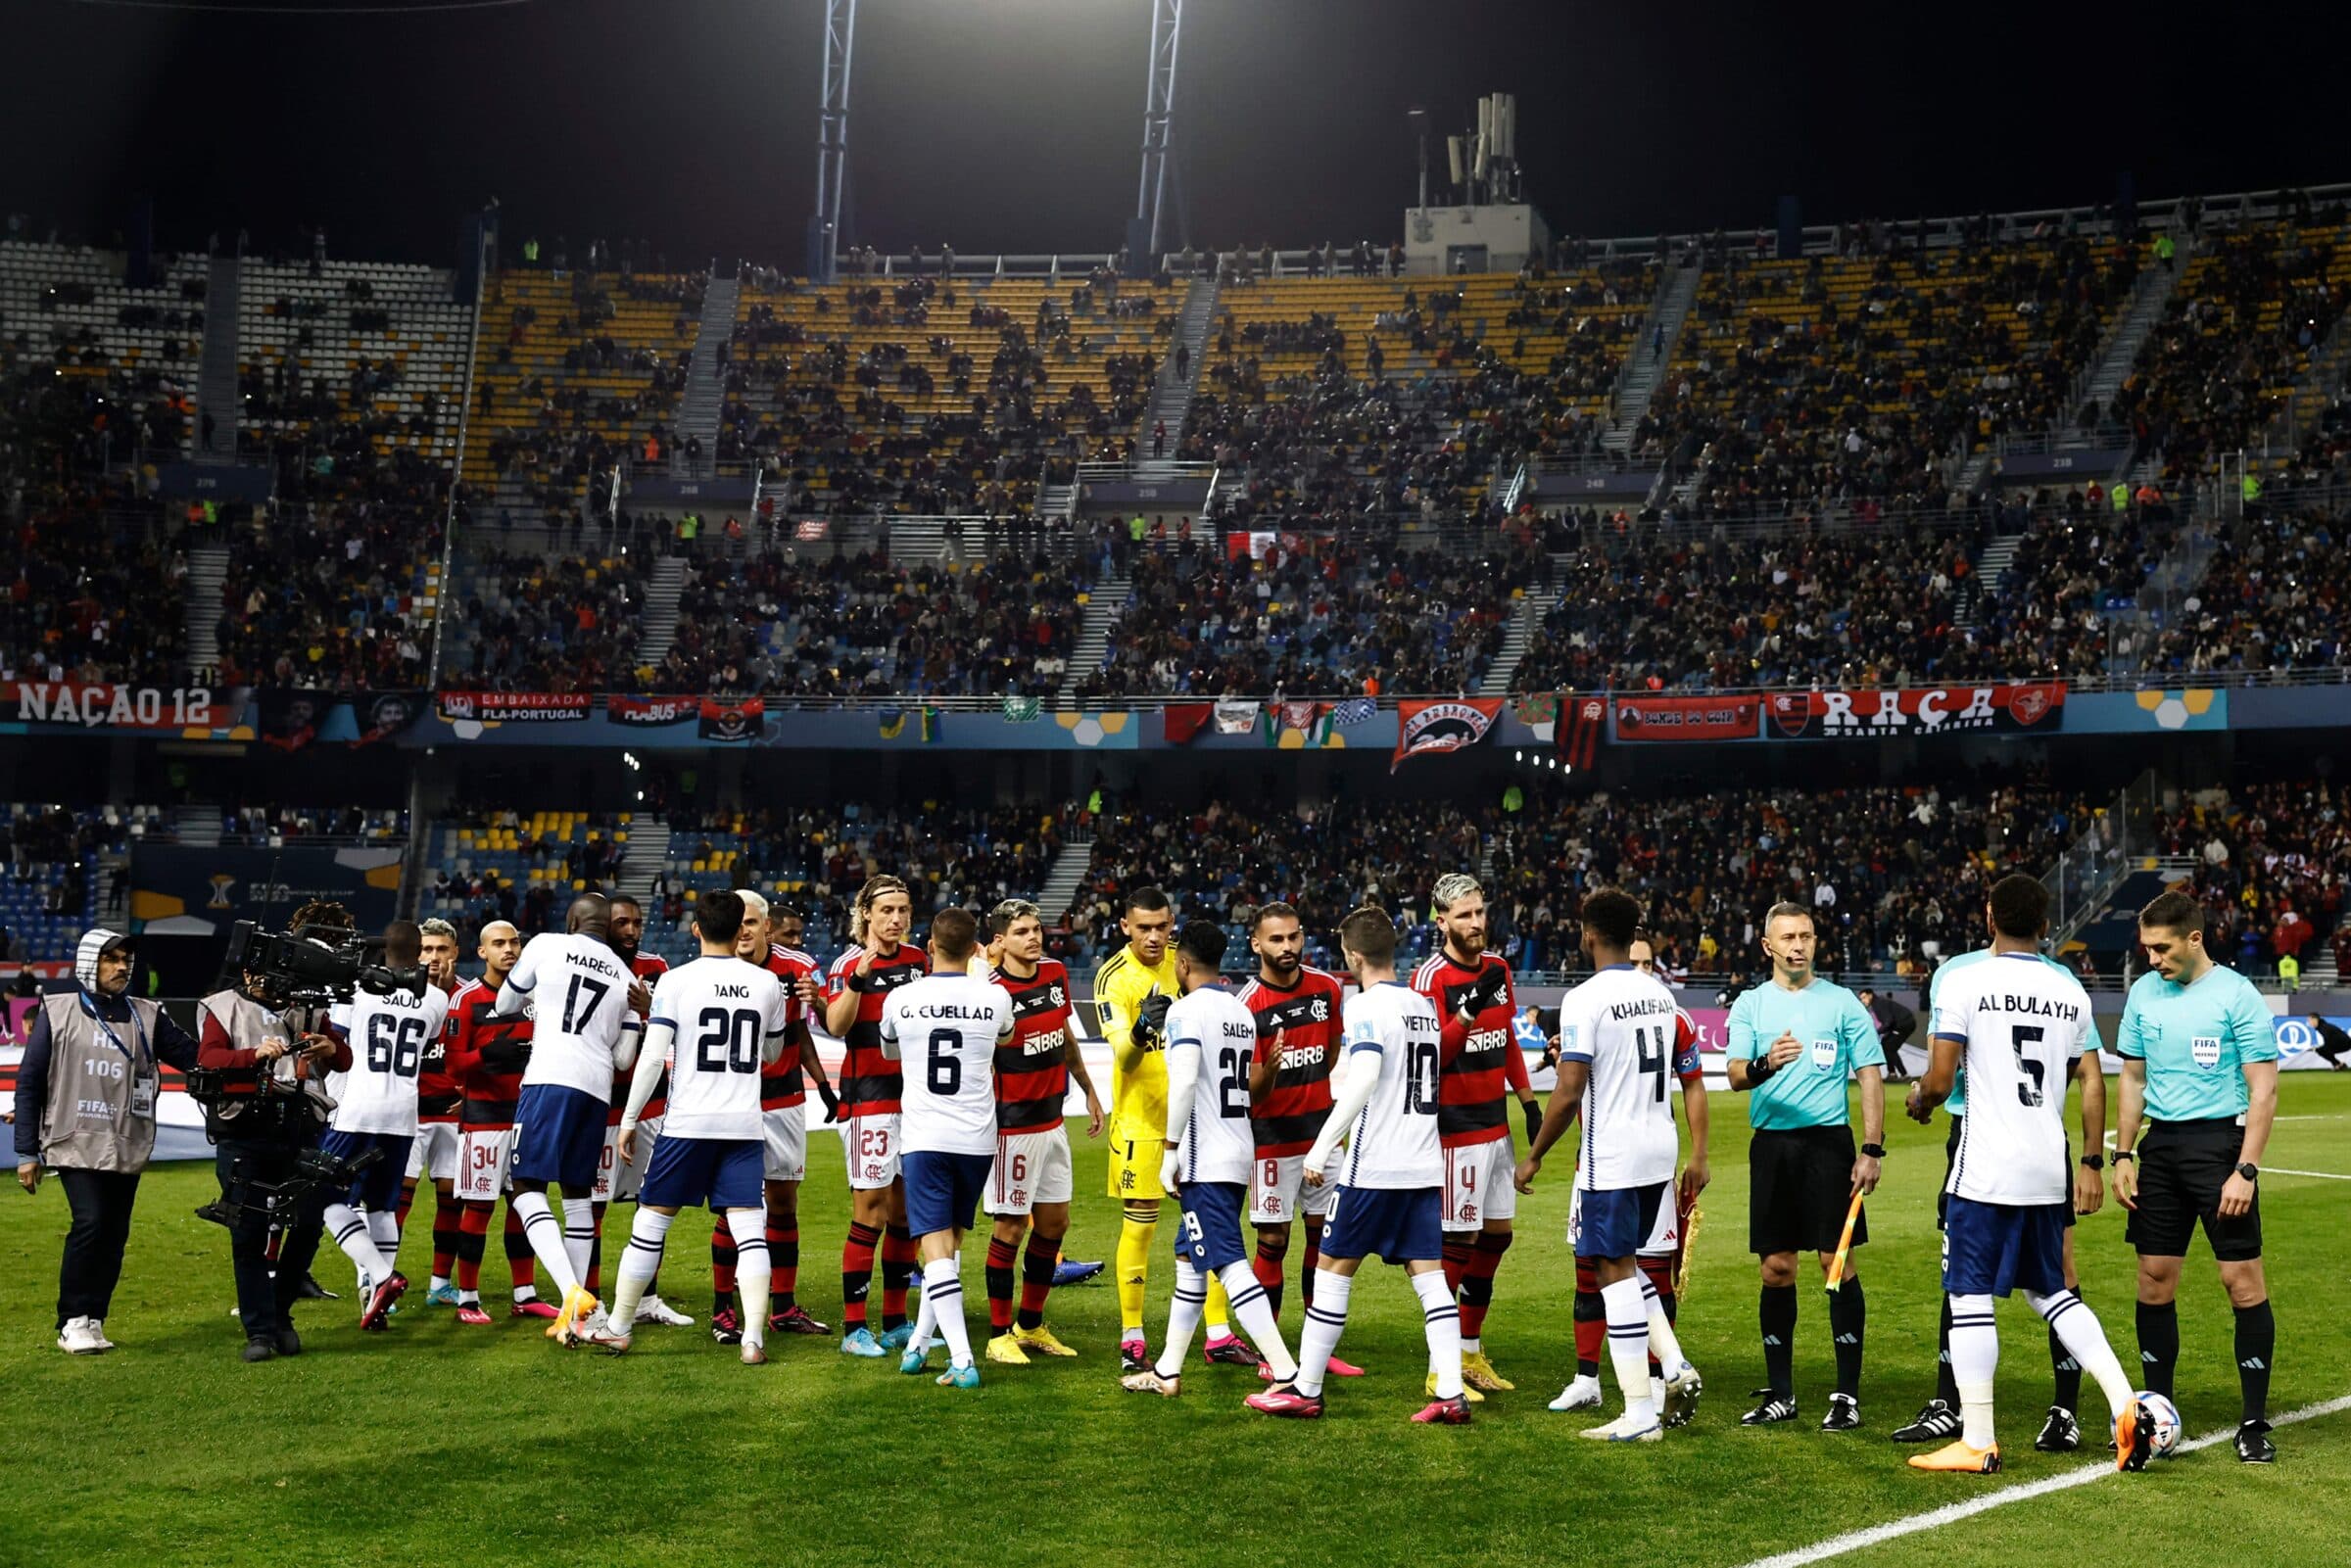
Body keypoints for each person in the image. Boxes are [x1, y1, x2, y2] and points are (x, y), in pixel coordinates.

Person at [1904, 875, 2154, 1475]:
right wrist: (2092, 1159)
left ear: (1989, 916)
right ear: (2046, 925)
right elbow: (2081, 1076)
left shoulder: (1964, 981)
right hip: (2048, 1161)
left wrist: (1920, 1100)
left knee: (1967, 1294)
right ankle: (2127, 1404)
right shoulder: (2068, 992)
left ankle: (1978, 1438)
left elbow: (1939, 1080)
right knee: (2051, 1291)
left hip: (1984, 1162)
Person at [1246, 906, 1467, 1424]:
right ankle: (1451, 1394)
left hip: (1374, 1167)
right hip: (1422, 1164)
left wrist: (1322, 1148)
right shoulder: (1423, 1006)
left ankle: (1305, 1387)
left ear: (1351, 956)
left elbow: (1364, 1077)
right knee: (1431, 1278)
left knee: (1331, 1268)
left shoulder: (1366, 1007)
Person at [1516, 889, 1703, 1440]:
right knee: (1627, 1265)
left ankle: (1640, 1414)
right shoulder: (1661, 996)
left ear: (1587, 933)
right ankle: (1672, 1362)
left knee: (1611, 1273)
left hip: (1612, 1155)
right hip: (1657, 1149)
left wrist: (1532, 1157)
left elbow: (1570, 1089)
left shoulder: (1585, 998)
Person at [2112, 889, 2282, 1464]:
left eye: (2161, 948)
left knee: (2242, 1284)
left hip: (2220, 1149)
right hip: (2160, 1149)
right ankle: (2157, 1410)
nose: (2152, 959)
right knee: (2154, 1280)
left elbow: (2264, 1088)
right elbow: (2132, 1079)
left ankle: (2254, 1421)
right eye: (2146, 949)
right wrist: (2123, 1154)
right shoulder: (2142, 994)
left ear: (2193, 938)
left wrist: (2246, 1169)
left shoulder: (2237, 994)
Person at [587, 891, 786, 1364]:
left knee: (651, 1220)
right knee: (750, 1229)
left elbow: (654, 1057)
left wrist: (630, 1120)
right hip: (742, 1123)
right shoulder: (767, 984)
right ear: (742, 930)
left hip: (688, 1122)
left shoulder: (675, 982)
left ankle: (618, 1326)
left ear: (695, 928)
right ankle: (753, 1339)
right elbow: (773, 1055)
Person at [1119, 921, 1303, 1400]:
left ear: (1182, 963)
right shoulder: (1240, 1011)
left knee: (1227, 1263)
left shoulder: (1184, 1012)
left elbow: (1183, 1082)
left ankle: (1287, 1375)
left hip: (1204, 1156)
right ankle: (1166, 1371)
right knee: (1188, 1258)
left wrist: (1172, 1150)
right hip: (1238, 1146)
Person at [1725, 901, 1886, 1430]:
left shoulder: (1842, 1004)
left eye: (1807, 936)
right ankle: (1781, 1393)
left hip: (1828, 1147)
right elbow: (1733, 1075)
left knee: (1834, 1264)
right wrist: (1765, 1063)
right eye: (1788, 937)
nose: (1798, 945)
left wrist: (1871, 1148)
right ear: (1768, 946)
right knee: (1776, 1268)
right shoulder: (1751, 1005)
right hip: (1772, 1146)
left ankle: (1847, 1396)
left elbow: (1868, 1074)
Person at [14, 928, 200, 1354]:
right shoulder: (58, 1010)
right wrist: (26, 1151)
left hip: (127, 1142)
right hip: (74, 1139)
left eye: (124, 960)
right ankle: (72, 1319)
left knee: (114, 1233)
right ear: (88, 964)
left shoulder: (146, 1014)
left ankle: (95, 1317)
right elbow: (28, 1083)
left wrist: (242, 1051)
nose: (121, 967)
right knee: (91, 1222)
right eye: (110, 959)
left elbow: (194, 1057)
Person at [1094, 886, 1250, 1374]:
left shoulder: (1182, 964)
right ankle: (1133, 1334)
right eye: (1144, 928)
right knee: (1140, 1226)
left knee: (1209, 1227)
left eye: (1163, 926)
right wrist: (1142, 1030)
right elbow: (1122, 1055)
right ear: (1125, 927)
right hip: (1142, 1121)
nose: (1155, 936)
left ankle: (1219, 1332)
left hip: (1197, 1124)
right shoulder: (1113, 977)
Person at [1557, 929, 1711, 1418]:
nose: (1641, 970)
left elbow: (1693, 1085)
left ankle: (1652, 1384)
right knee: (1596, 1272)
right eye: (1636, 961)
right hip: (1611, 1161)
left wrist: (1700, 1154)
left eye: (1648, 963)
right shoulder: (1637, 1005)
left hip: (1630, 1165)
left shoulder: (1662, 1011)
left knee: (1638, 1272)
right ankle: (1591, 1378)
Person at [197, 900, 358, 1361]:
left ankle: (280, 1312)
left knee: (308, 1224)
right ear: (248, 973)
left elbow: (341, 1059)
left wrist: (332, 1046)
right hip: (243, 1126)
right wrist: (254, 1056)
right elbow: (208, 1059)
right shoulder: (221, 1006)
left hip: (300, 1128)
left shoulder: (307, 1005)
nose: (270, 982)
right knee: (247, 1232)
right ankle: (261, 1330)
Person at [494, 893, 648, 1345]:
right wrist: (637, 1018)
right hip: (596, 1090)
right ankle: (574, 1317)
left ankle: (571, 1292)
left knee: (524, 1187)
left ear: (571, 919)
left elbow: (504, 1004)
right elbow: (623, 1059)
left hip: (548, 1079)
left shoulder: (545, 944)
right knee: (578, 1194)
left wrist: (538, 1006)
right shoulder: (624, 976)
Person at [1413, 873, 1540, 1401]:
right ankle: (1439, 1367)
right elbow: (1431, 1058)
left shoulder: (1499, 969)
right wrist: (1466, 1011)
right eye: (1463, 915)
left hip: (1496, 1125)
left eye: (1480, 912)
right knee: (1456, 1245)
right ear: (1441, 921)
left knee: (1496, 1238)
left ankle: (1468, 1352)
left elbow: (1506, 1036)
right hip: (1454, 1131)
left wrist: (1529, 1101)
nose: (1475, 923)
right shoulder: (1430, 979)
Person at [883, 909, 1013, 1390]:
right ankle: (919, 1342)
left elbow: (889, 1050)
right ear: (976, 946)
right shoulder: (995, 997)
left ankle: (961, 1358)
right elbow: (1007, 1038)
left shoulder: (902, 997)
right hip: (977, 1137)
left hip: (926, 1136)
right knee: (951, 1243)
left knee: (934, 1248)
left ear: (929, 945)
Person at [980, 898, 1103, 1364]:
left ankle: (1029, 1325)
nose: (1034, 938)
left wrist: (1088, 1089)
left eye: (1036, 930)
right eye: (1021, 932)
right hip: (1012, 1127)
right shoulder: (990, 991)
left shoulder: (1053, 974)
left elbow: (1064, 1036)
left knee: (1054, 1224)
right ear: (999, 942)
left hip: (1053, 1121)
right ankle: (997, 1335)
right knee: (1010, 1228)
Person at [1240, 902, 1360, 1373]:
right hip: (1270, 1140)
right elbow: (1247, 1088)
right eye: (1276, 939)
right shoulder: (1247, 1005)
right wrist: (1269, 1073)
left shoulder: (1327, 988)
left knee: (1323, 1242)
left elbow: (1330, 1055)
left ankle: (1315, 1352)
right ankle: (1271, 1354)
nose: (1287, 947)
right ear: (1256, 944)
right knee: (1273, 1241)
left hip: (1321, 1135)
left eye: (1293, 937)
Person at [318, 921, 451, 1323]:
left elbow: (335, 1045)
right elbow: (427, 1041)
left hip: (359, 1107)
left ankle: (381, 1276)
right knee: (382, 1207)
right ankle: (380, 1305)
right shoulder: (436, 999)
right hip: (404, 1113)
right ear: (419, 952)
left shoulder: (355, 990)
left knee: (324, 1199)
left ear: (382, 949)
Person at [718, 894, 835, 1342]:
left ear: (767, 927)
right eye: (736, 924)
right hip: (734, 1101)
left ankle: (782, 1307)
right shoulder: (717, 969)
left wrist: (823, 1085)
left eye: (750, 923)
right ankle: (723, 1309)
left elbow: (805, 1030)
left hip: (784, 1100)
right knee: (732, 1205)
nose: (742, 931)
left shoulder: (796, 967)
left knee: (784, 1205)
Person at [822, 876, 929, 1357]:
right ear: (865, 913)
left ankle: (895, 1320)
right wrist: (859, 981)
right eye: (887, 910)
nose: (897, 919)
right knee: (870, 1212)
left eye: (903, 910)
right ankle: (852, 1329)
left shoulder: (918, 961)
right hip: (869, 1102)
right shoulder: (848, 964)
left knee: (906, 1215)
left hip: (915, 1101)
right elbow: (835, 1025)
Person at [445, 922, 548, 1324]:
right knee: (478, 1208)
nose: (509, 949)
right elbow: (453, 1064)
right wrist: (488, 1055)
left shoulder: (538, 996)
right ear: (482, 952)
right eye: (499, 944)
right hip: (484, 1120)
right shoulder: (466, 1001)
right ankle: (467, 1298)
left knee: (524, 1208)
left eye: (514, 942)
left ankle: (525, 1294)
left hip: (527, 1118)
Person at [605, 895, 692, 1329]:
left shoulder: (657, 967)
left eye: (637, 922)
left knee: (652, 1200)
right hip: (601, 1102)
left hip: (653, 1103)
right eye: (623, 922)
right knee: (592, 1204)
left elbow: (675, 1036)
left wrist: (649, 1010)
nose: (632, 930)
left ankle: (647, 1298)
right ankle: (590, 1299)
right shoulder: (591, 966)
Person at [397, 918, 466, 1307]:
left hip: (454, 1117)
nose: (434, 957)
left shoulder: (470, 995)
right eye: (426, 950)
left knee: (451, 1202)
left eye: (441, 949)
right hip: (410, 1116)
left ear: (455, 952)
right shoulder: (399, 994)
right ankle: (380, 1283)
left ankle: (440, 1283)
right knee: (396, 1202)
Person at [1857, 987, 1918, 1083]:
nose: (1863, 1001)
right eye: (1861, 999)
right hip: (1903, 1023)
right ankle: (1893, 1073)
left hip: (1904, 1024)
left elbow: (1888, 1021)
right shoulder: (1878, 1003)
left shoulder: (1878, 1004)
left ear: (1870, 995)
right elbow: (1889, 1022)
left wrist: (1877, 1032)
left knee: (1889, 1047)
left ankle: (1902, 1074)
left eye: (1864, 997)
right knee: (1887, 1046)